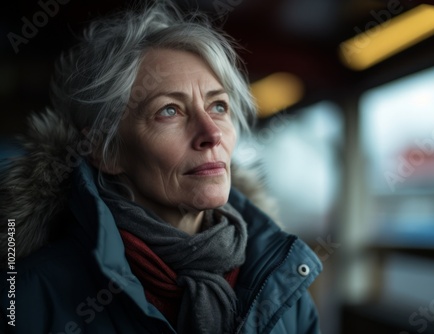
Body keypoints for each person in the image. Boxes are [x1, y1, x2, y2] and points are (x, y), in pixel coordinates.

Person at [0, 1, 322, 333]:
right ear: (104, 151)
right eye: (169, 111)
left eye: (218, 106)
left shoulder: (282, 284)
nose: (211, 134)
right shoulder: (28, 296)